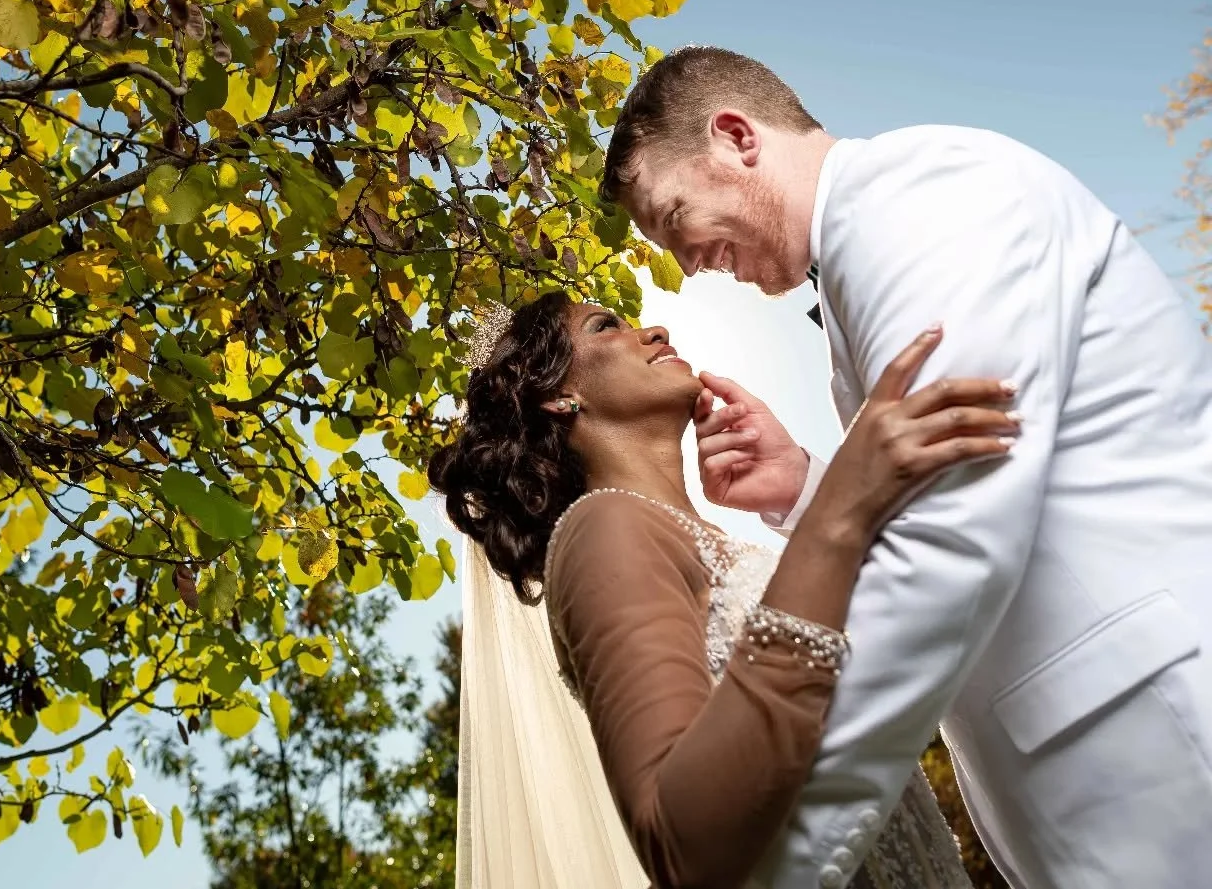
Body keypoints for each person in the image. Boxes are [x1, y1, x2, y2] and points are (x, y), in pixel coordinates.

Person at [600, 45, 1212, 889]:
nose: (688, 267)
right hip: (1097, 777)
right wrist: (810, 486)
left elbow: (953, 532)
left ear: (737, 137)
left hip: (1157, 751)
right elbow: (955, 488)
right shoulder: (871, 247)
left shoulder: (922, 200)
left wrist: (779, 863)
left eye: (675, 220)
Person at [433, 290, 1020, 888]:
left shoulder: (714, 541)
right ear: (558, 395)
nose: (654, 329)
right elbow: (682, 846)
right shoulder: (601, 528)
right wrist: (838, 512)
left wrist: (801, 489)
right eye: (606, 326)